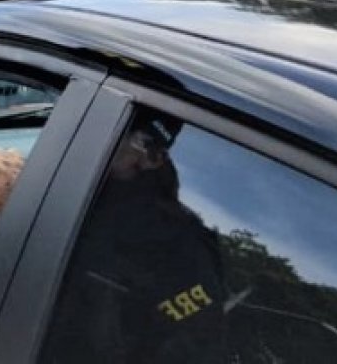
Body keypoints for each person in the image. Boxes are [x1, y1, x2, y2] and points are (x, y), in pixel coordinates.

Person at [42, 112, 227, 363]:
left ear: (149, 157)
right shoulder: (111, 194)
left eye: (116, 130)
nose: (103, 137)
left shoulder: (169, 237)